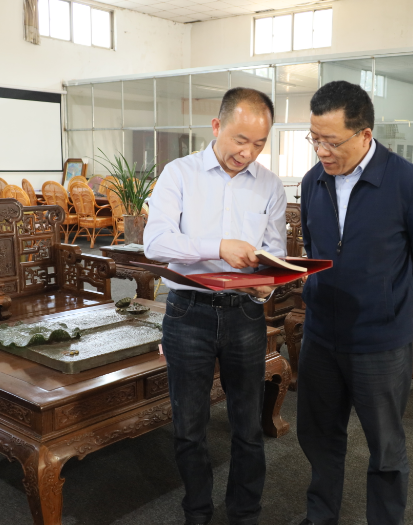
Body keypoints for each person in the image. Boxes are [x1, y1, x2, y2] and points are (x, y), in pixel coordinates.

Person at [296, 80, 413, 525]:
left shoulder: (407, 182)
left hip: (380, 341)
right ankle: (320, 516)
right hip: (320, 335)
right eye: (314, 139)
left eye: (332, 141)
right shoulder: (313, 181)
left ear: (364, 134)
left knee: (385, 446)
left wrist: (386, 300)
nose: (321, 151)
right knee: (319, 437)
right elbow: (313, 247)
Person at [144, 87, 287, 525]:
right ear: (216, 126)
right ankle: (198, 513)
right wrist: (218, 247)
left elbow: (274, 254)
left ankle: (245, 514)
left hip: (245, 314)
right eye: (240, 140)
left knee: (247, 426)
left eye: (259, 143)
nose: (247, 152)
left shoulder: (269, 186)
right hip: (189, 313)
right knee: (190, 427)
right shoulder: (179, 174)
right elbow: (156, 243)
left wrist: (266, 286)